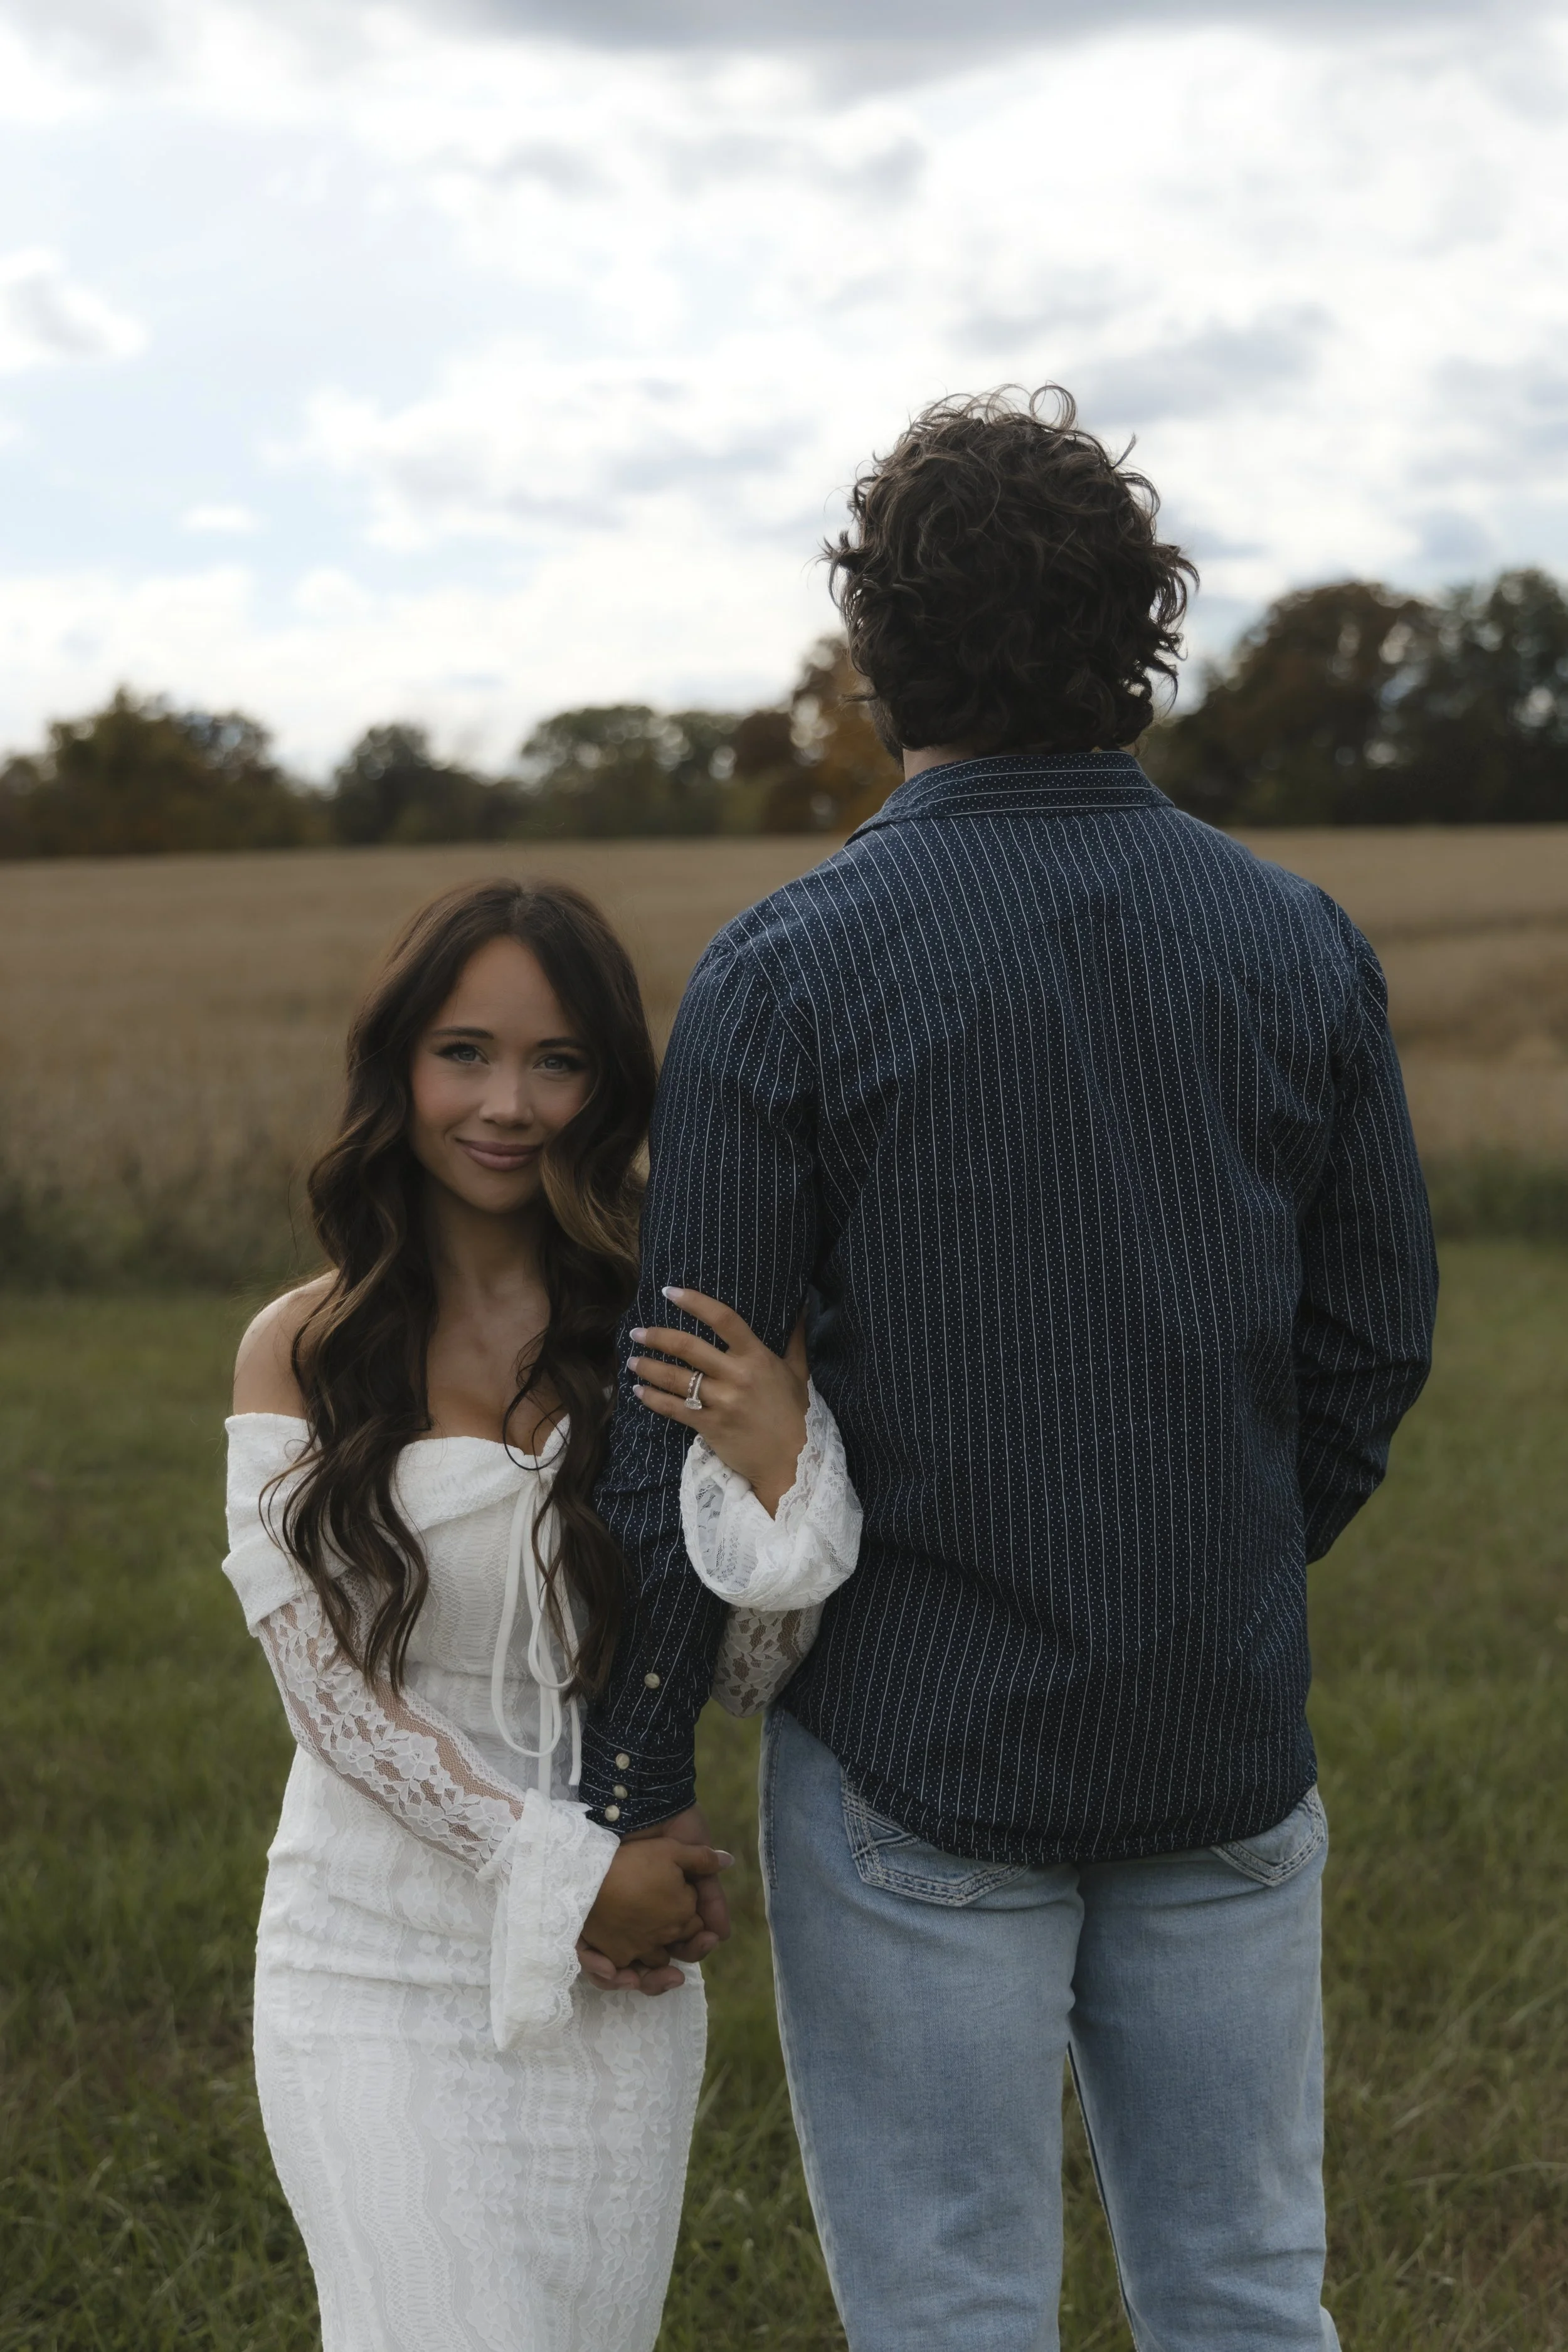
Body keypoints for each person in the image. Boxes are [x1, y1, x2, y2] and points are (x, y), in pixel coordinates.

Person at [580, 388, 1440, 2351]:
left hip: (915, 1750)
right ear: (1138, 637)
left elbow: (678, 1399)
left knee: (952, 2312)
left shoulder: (787, 963)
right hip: (1219, 1725)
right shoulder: (1296, 940)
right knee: (1244, 2294)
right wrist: (1204, 1552)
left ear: (874, 650)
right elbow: (1371, 1339)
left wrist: (631, 1776)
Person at [221, 877, 859, 2352]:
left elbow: (752, 1671)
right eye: (464, 1052)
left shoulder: (681, 1326)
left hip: (620, 1988)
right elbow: (323, 1695)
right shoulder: (300, 1346)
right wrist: (567, 1876)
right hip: (370, 1949)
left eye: (556, 1060)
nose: (506, 1102)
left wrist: (777, 1467)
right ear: (399, 1067)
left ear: (610, 1086)